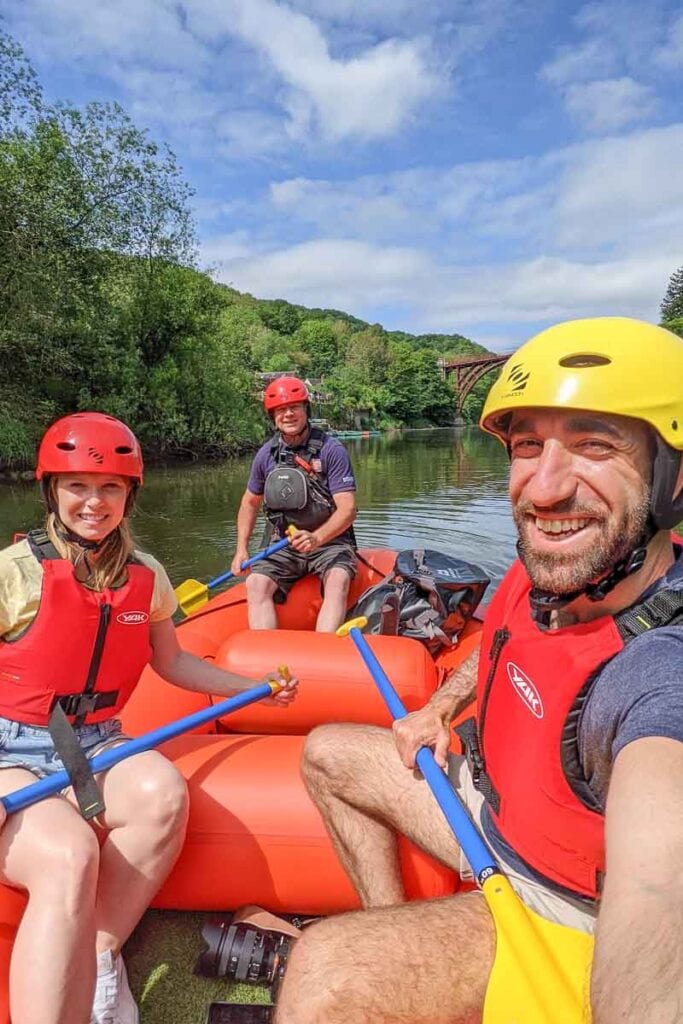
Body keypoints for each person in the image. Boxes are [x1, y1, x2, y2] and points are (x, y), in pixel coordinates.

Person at [273, 318, 683, 1024]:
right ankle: (394, 928)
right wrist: (437, 709)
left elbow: (657, 892)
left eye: (594, 445)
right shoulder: (547, 569)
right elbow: (493, 648)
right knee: (328, 752)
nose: (544, 489)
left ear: (673, 481)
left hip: (564, 896)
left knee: (328, 969)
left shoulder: (657, 677)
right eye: (528, 446)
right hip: (491, 809)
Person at [0, 412, 298, 1024]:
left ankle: (103, 953)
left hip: (97, 740)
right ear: (51, 490)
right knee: (68, 854)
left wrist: (249, 689)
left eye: (110, 486)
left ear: (130, 494)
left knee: (162, 793)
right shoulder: (14, 573)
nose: (94, 501)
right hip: (10, 748)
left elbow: (173, 663)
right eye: (77, 484)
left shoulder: (147, 575)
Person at [230, 376, 358, 632]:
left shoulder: (332, 450)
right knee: (255, 583)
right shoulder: (266, 455)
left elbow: (348, 508)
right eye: (280, 410)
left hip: (330, 542)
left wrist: (317, 538)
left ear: (305, 410)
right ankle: (266, 658)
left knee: (338, 579)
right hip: (283, 543)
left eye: (294, 407)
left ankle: (324, 649)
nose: (288, 414)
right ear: (273, 416)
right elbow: (249, 502)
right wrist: (241, 549)